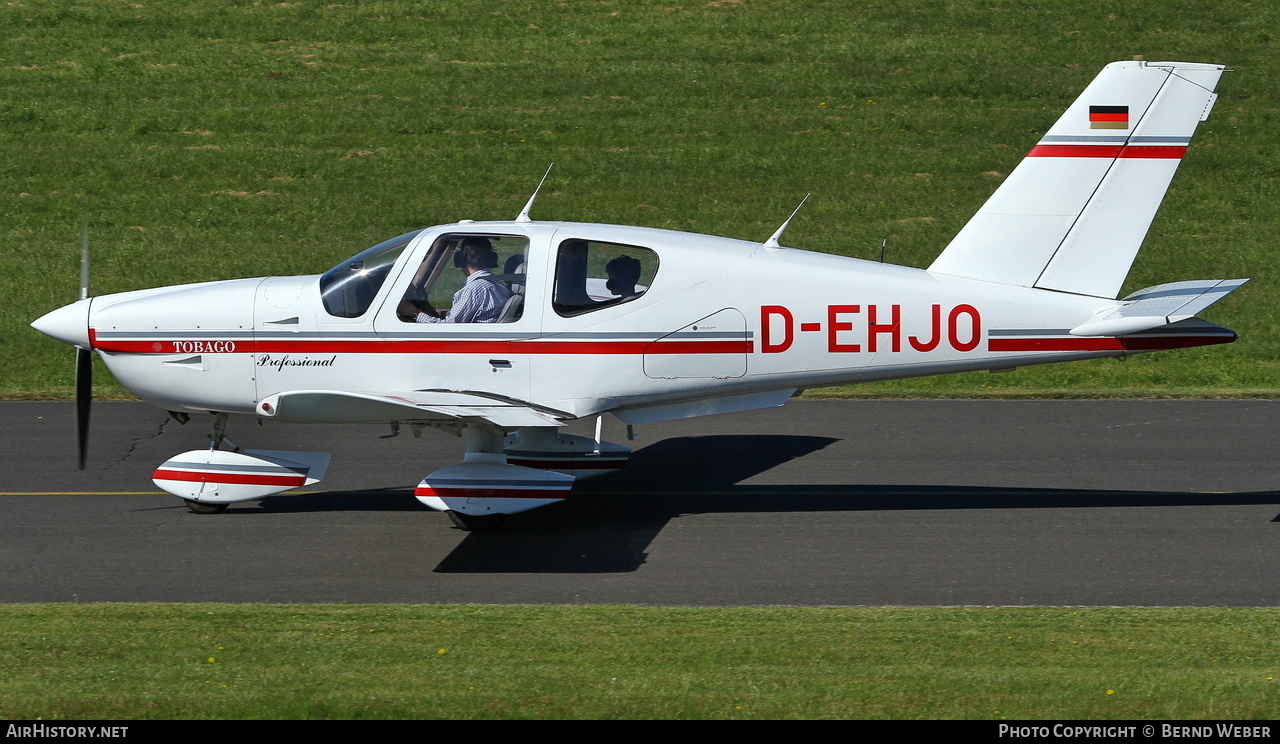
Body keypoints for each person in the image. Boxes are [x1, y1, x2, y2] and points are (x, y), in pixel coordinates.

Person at [401, 238, 511, 323]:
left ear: (461, 258)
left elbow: (448, 329)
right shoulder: (497, 285)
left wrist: (413, 312)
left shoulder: (474, 290)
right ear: (492, 258)